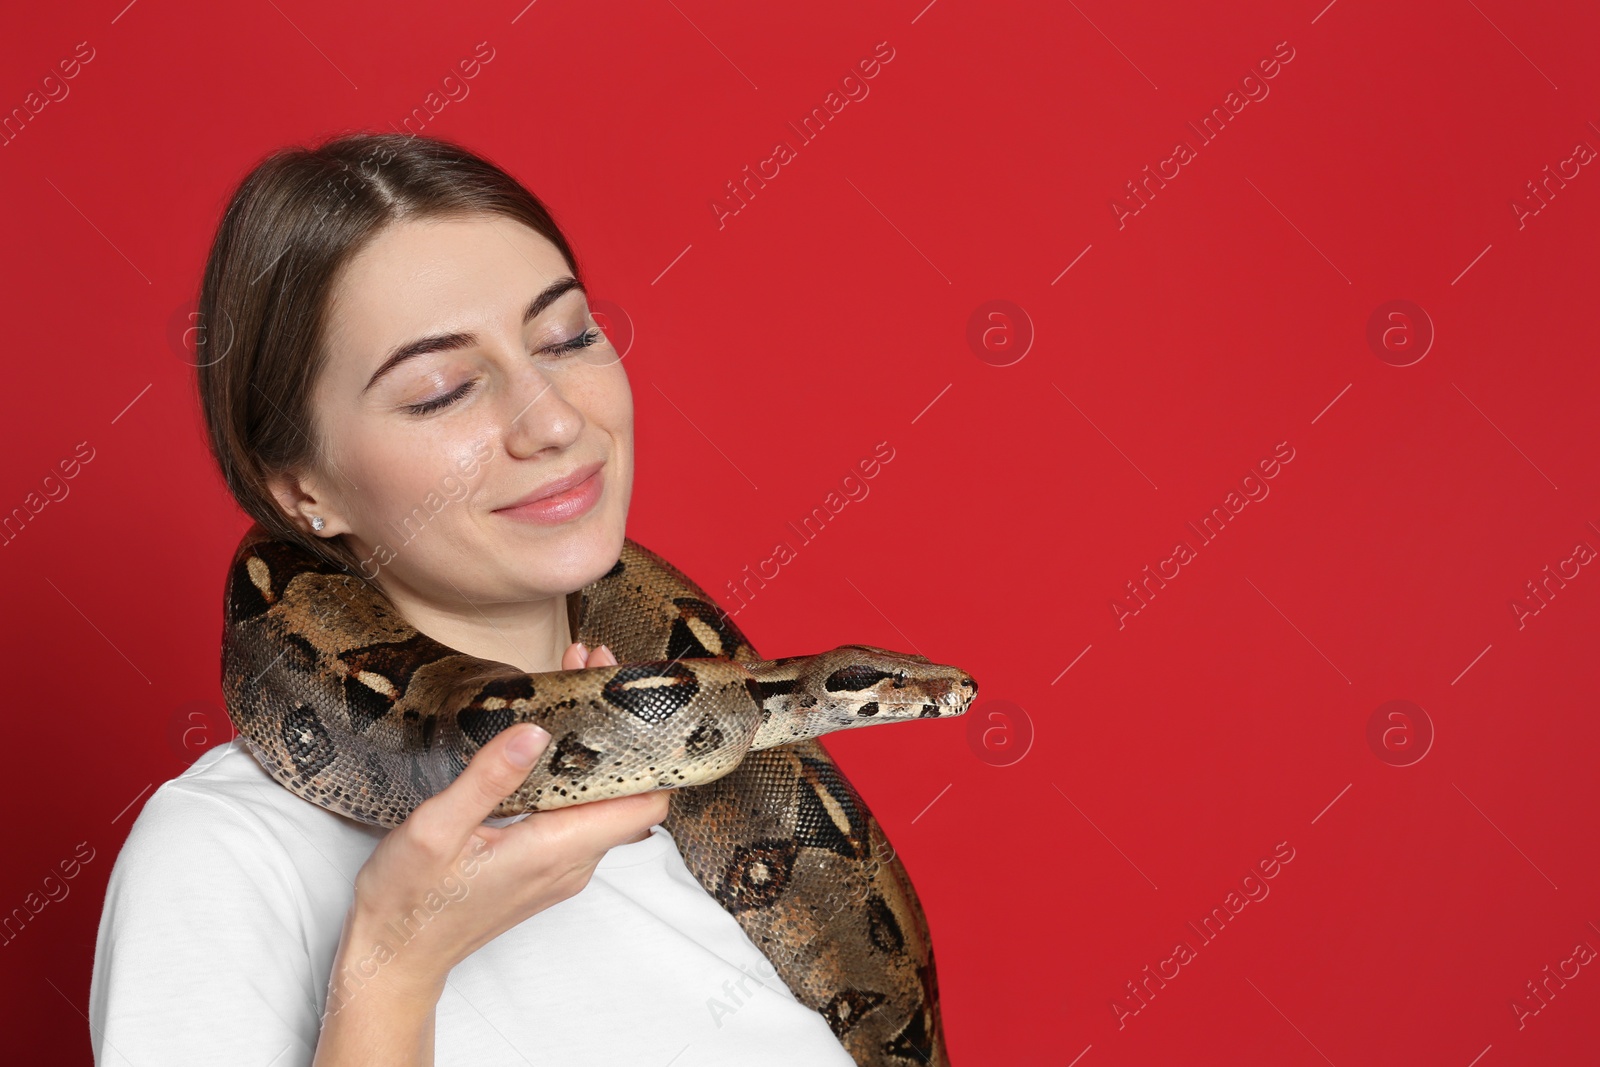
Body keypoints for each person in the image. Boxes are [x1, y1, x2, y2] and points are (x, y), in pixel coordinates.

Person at [88, 132, 857, 1066]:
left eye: (569, 336)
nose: (556, 419)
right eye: (443, 390)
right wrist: (393, 962)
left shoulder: (713, 787)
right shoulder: (226, 854)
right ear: (301, 492)